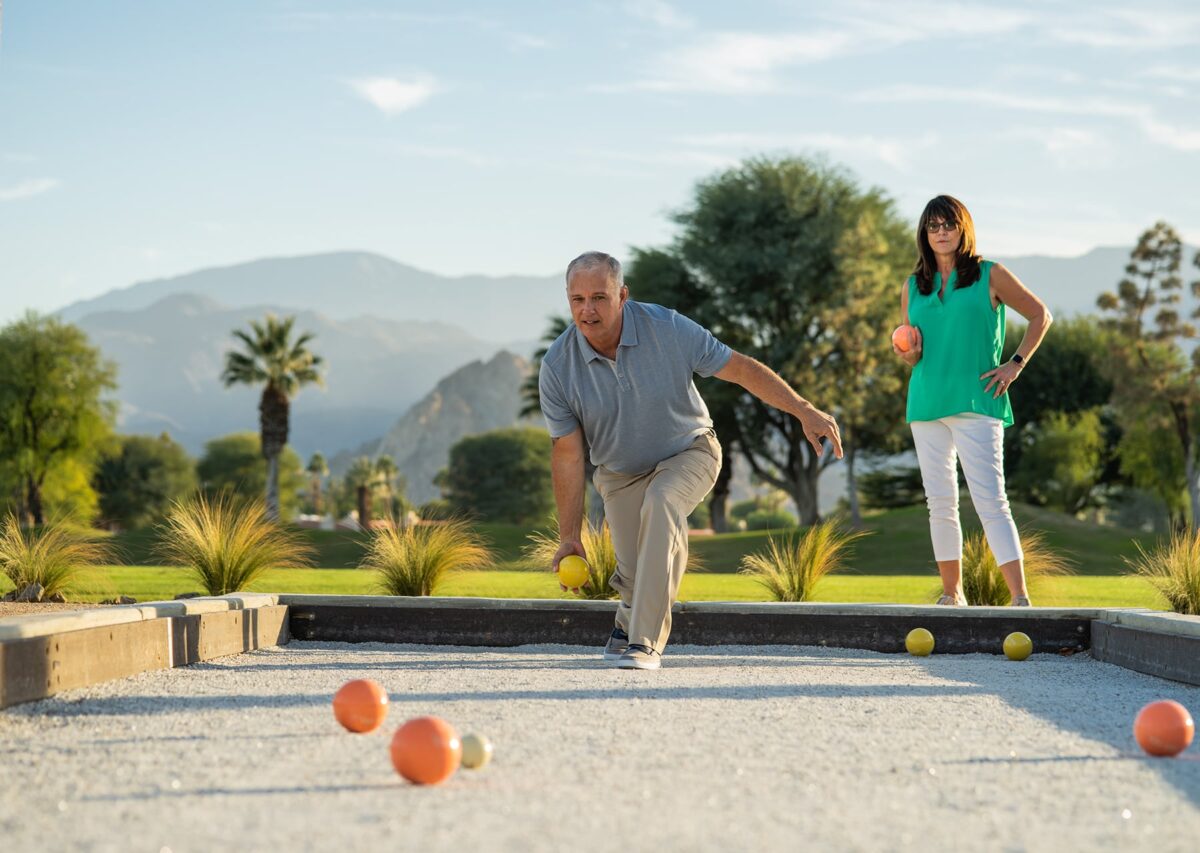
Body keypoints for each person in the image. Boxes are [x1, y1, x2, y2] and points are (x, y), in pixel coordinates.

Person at [538, 251, 842, 670]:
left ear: (622, 295)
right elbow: (568, 454)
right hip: (619, 472)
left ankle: (645, 643)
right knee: (632, 567)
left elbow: (739, 369)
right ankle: (627, 621)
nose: (588, 310)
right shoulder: (558, 365)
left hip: (689, 451)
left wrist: (803, 409)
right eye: (577, 300)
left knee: (663, 504)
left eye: (599, 298)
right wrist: (570, 536)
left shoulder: (668, 328)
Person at [893, 195, 1053, 606]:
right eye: (933, 226)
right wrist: (909, 353)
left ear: (963, 229)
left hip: (978, 401)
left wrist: (1014, 364)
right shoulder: (913, 287)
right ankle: (952, 595)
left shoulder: (989, 275)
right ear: (924, 234)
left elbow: (1040, 315)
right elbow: (914, 353)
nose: (941, 233)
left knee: (990, 500)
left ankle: (1019, 598)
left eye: (948, 225)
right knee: (940, 502)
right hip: (927, 403)